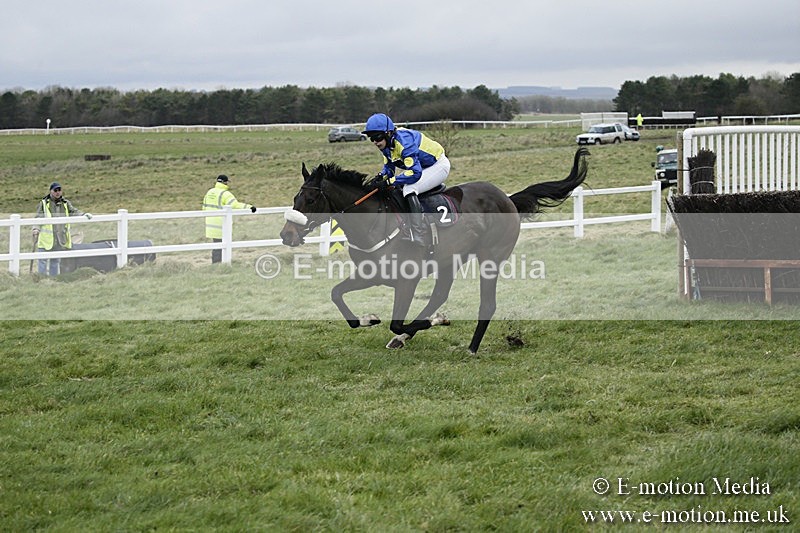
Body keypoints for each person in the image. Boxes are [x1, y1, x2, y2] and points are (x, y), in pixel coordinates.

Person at [361, 113, 450, 247]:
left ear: (388, 133)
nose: (375, 142)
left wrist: (389, 182)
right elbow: (389, 167)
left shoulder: (404, 142)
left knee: (409, 188)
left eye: (377, 137)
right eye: (371, 138)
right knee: (395, 188)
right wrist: (380, 177)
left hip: (438, 165)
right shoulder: (386, 145)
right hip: (422, 166)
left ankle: (418, 232)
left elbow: (415, 173)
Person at [32, 182, 92, 276]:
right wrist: (35, 229)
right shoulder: (44, 203)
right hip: (46, 239)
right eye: (55, 190)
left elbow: (73, 211)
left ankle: (54, 279)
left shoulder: (65, 203)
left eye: (59, 190)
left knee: (55, 260)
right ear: (50, 191)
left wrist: (84, 214)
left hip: (60, 238)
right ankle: (41, 279)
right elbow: (38, 218)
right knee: (42, 260)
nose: (57, 192)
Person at [202, 174, 256, 263]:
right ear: (225, 182)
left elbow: (204, 208)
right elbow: (235, 205)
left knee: (217, 246)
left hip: (210, 225)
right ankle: (220, 265)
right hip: (221, 225)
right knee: (222, 246)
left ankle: (216, 264)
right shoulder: (225, 194)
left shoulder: (209, 192)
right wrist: (250, 207)